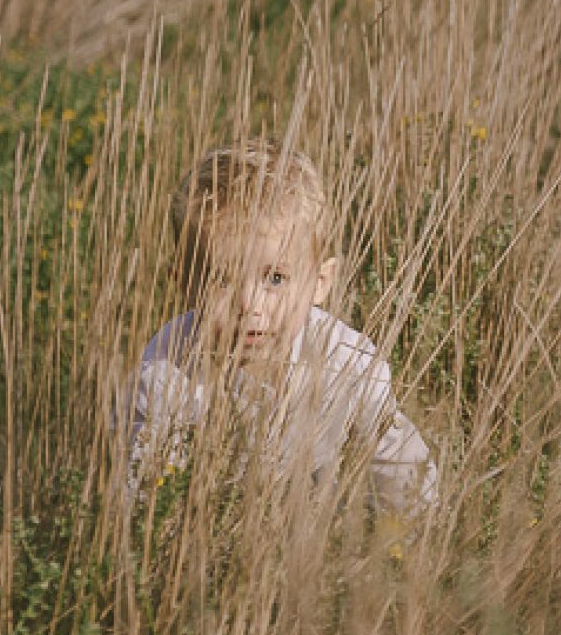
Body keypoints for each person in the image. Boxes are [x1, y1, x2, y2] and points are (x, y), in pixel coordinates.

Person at [122, 138, 439, 530]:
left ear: (320, 282)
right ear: (184, 285)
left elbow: (401, 468)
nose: (249, 305)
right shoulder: (167, 371)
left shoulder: (347, 361)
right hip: (207, 529)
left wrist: (410, 538)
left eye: (275, 279)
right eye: (221, 280)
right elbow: (145, 501)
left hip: (315, 529)